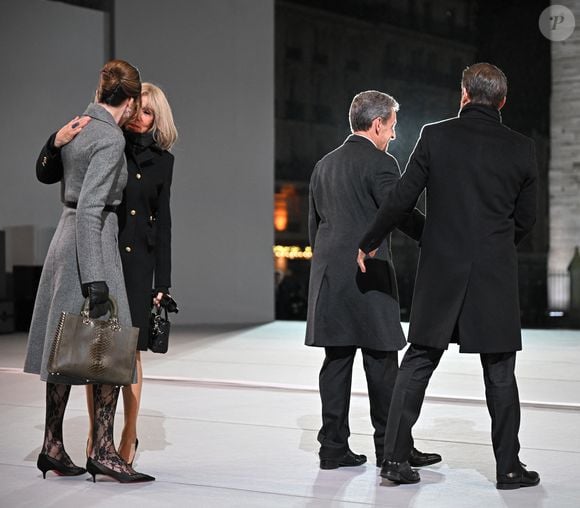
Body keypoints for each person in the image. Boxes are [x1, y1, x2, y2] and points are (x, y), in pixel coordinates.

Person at [357, 63, 540, 489]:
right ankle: (509, 469)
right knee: (499, 370)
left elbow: (401, 200)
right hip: (493, 272)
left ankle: (394, 460)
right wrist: (494, 249)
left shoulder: (434, 136)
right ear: (502, 101)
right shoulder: (521, 148)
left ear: (463, 94)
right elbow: (526, 220)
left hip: (441, 270)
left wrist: (368, 241)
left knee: (419, 359)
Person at [24, 59, 154, 483]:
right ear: (132, 102)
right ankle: (103, 450)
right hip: (91, 239)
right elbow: (93, 208)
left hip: (65, 238)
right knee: (111, 348)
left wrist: (53, 142)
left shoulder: (78, 125)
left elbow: (48, 175)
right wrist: (96, 278)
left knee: (65, 346)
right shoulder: (111, 138)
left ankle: (52, 445)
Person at [306, 90, 440, 470]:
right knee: (382, 363)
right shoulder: (382, 164)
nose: (393, 136)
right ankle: (392, 449)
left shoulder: (323, 165)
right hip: (369, 273)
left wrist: (329, 265)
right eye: (393, 127)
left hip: (330, 276)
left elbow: (313, 228)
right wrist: (435, 236)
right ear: (378, 123)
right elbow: (398, 212)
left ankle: (333, 448)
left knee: (336, 361)